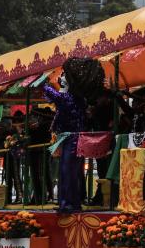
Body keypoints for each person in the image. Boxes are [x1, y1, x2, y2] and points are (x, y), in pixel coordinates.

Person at [43, 57, 105, 212]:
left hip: (72, 139)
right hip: (74, 138)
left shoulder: (67, 98)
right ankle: (71, 203)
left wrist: (42, 79)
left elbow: (50, 92)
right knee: (72, 172)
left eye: (64, 75)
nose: (60, 78)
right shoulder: (78, 98)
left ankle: (67, 205)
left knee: (67, 172)